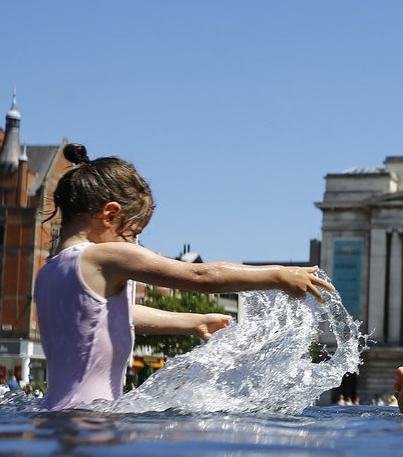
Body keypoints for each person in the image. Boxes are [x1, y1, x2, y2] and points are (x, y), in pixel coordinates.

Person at [35, 143, 333, 411]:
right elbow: (200, 275)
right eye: (134, 234)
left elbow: (103, 318)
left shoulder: (50, 271)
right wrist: (277, 274)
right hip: (93, 422)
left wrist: (191, 321)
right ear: (110, 215)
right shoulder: (104, 256)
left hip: (56, 416)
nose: (133, 244)